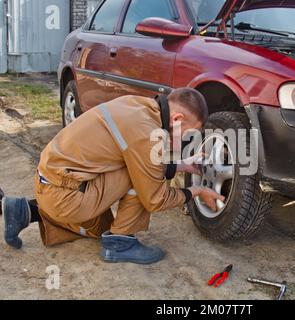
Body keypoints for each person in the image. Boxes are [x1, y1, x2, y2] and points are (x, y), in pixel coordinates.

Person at [1, 88, 225, 265]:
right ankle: (120, 243)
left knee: (105, 221)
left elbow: (142, 159)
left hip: (52, 182)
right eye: (190, 133)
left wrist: (183, 166)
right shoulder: (147, 134)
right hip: (66, 195)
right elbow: (155, 198)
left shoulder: (138, 106)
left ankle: (25, 210)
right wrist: (197, 191)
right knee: (144, 182)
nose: (188, 138)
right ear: (177, 119)